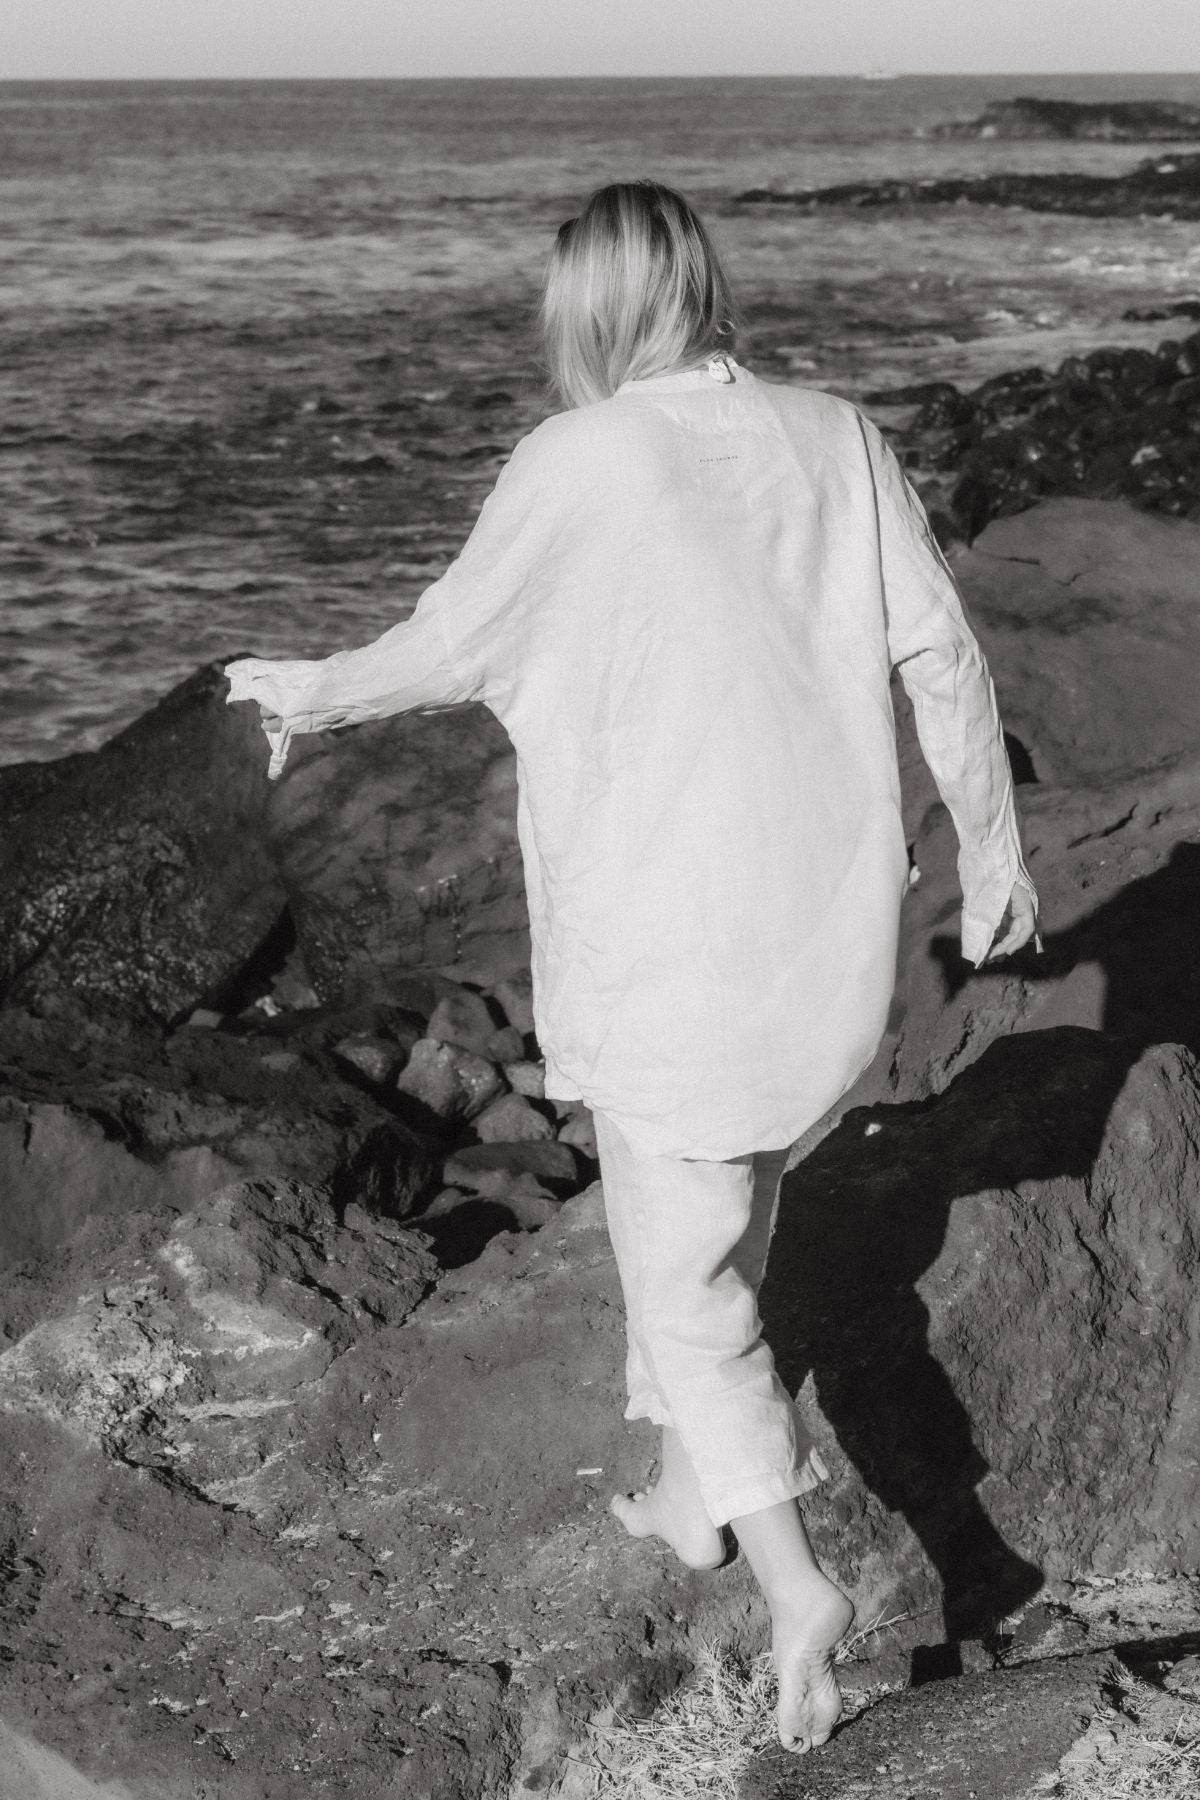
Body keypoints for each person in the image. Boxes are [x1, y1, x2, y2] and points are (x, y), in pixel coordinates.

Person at [225, 180, 1039, 1753]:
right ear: (699, 283)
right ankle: (684, 1492)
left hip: (674, 936)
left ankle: (802, 1586)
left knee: (684, 1279)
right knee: (727, 1201)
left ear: (590, 310)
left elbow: (453, 638)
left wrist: (304, 694)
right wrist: (995, 856)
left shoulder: (582, 457)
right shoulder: (838, 435)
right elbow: (940, 647)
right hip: (825, 925)